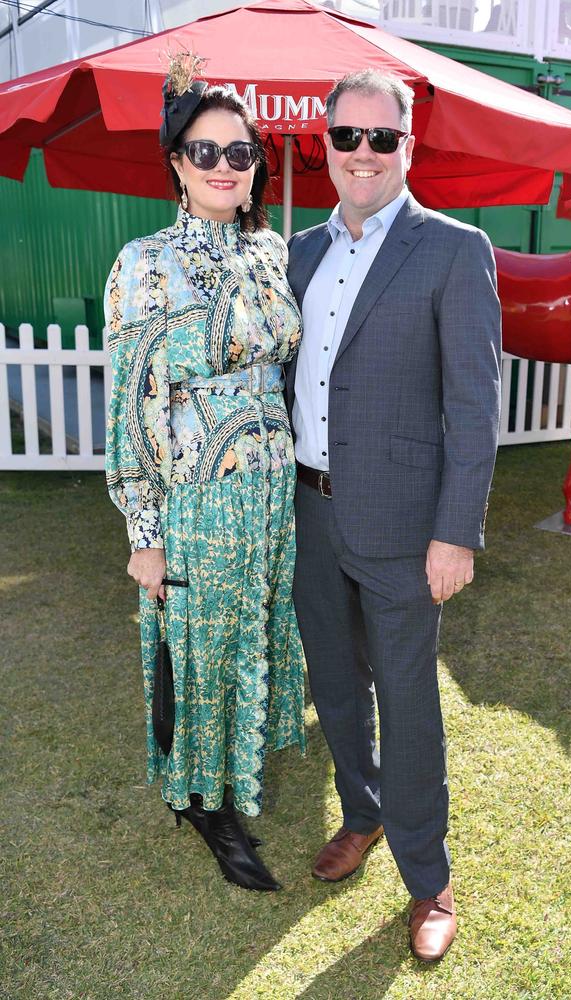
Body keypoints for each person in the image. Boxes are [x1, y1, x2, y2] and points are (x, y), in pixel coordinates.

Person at [286, 69, 501, 960]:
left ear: (410, 146)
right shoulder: (296, 253)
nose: (364, 154)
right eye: (348, 137)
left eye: (383, 138)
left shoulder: (455, 249)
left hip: (409, 528)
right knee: (335, 687)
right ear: (324, 144)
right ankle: (362, 813)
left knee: (408, 702)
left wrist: (456, 531)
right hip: (309, 514)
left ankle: (428, 875)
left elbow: (474, 405)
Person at [104, 64, 305, 893]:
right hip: (198, 496)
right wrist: (144, 537)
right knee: (200, 645)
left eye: (242, 150)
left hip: (271, 490)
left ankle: (232, 768)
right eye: (206, 150)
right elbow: (130, 405)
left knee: (249, 631)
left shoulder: (269, 250)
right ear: (177, 164)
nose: (227, 164)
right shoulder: (144, 263)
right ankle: (203, 801)